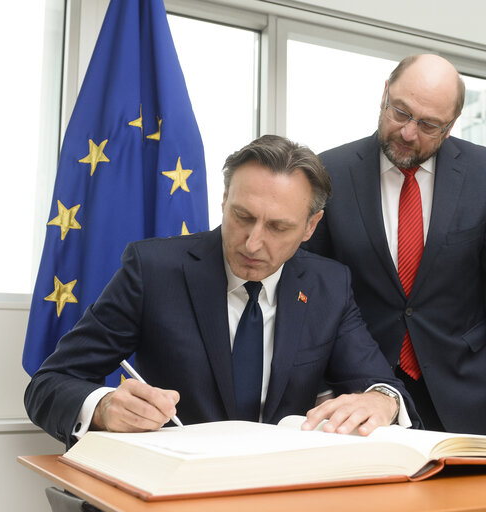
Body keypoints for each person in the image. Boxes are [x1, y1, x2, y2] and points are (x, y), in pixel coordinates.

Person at [25, 135, 422, 449]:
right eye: (242, 217)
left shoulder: (328, 285)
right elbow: (50, 383)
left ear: (310, 226)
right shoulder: (154, 271)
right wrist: (105, 408)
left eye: (278, 228)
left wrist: (382, 401)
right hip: (175, 492)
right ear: (223, 201)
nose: (252, 244)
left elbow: (382, 386)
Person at [304, 54, 486, 437]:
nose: (408, 132)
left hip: (463, 388)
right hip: (361, 389)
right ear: (384, 94)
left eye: (428, 124)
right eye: (400, 112)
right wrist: (317, 387)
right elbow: (312, 290)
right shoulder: (331, 172)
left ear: (450, 126)